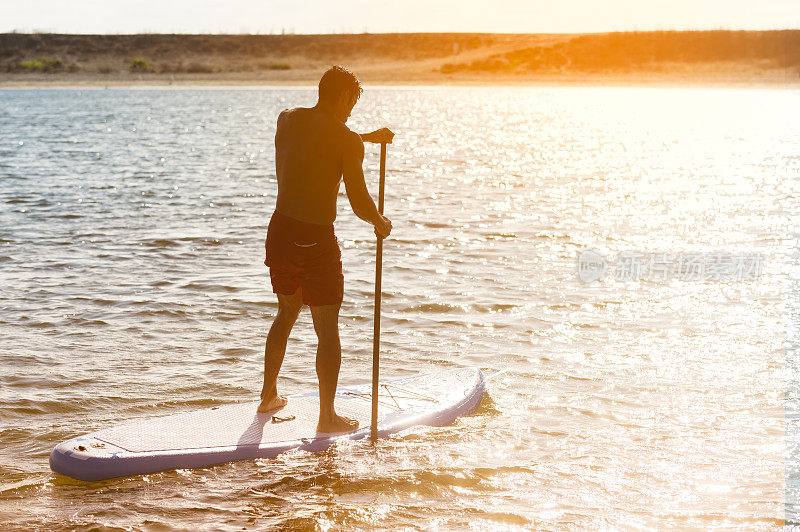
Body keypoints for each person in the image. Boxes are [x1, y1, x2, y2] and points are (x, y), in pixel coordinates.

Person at [259, 66, 394, 433]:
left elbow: (317, 140)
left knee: (286, 312)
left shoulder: (286, 120)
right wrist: (380, 223)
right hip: (316, 240)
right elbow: (359, 203)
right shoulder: (345, 140)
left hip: (280, 232)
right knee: (327, 328)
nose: (352, 109)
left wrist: (362, 138)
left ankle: (268, 395)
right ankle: (326, 417)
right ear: (340, 96)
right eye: (351, 100)